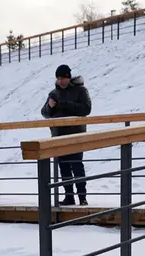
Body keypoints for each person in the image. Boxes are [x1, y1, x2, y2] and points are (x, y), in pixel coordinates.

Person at [41, 64, 92, 206]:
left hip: (76, 135)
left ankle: (82, 197)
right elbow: (44, 113)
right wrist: (49, 106)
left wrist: (64, 104)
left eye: (63, 78)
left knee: (76, 166)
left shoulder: (81, 90)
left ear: (69, 77)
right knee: (63, 167)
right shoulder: (53, 93)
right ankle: (69, 196)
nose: (60, 81)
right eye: (58, 78)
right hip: (58, 136)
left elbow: (86, 109)